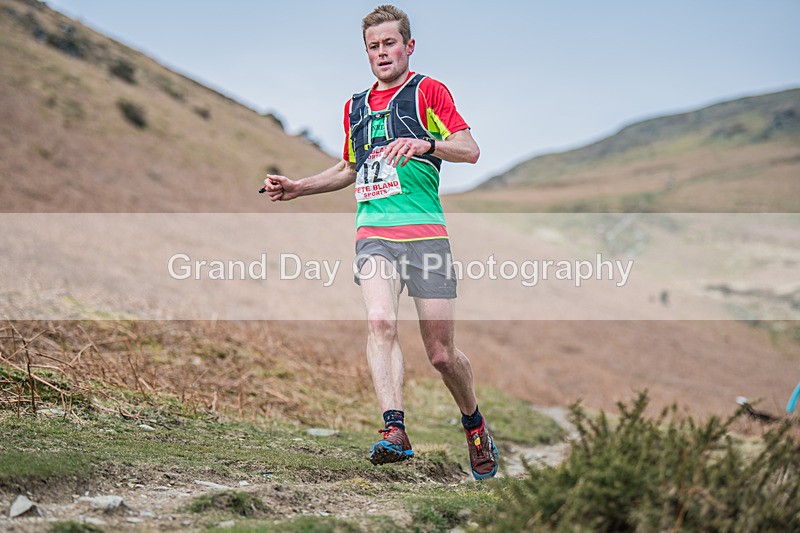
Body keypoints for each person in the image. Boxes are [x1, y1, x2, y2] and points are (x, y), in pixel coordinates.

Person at [264, 4, 498, 480]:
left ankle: (473, 424)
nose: (382, 52)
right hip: (374, 237)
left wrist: (426, 144)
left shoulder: (428, 91)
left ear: (408, 46)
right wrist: (298, 187)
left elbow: (469, 149)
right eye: (373, 46)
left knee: (440, 355)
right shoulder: (355, 106)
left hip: (427, 238)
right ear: (366, 52)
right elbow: (348, 168)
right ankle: (395, 431)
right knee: (378, 322)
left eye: (390, 43)